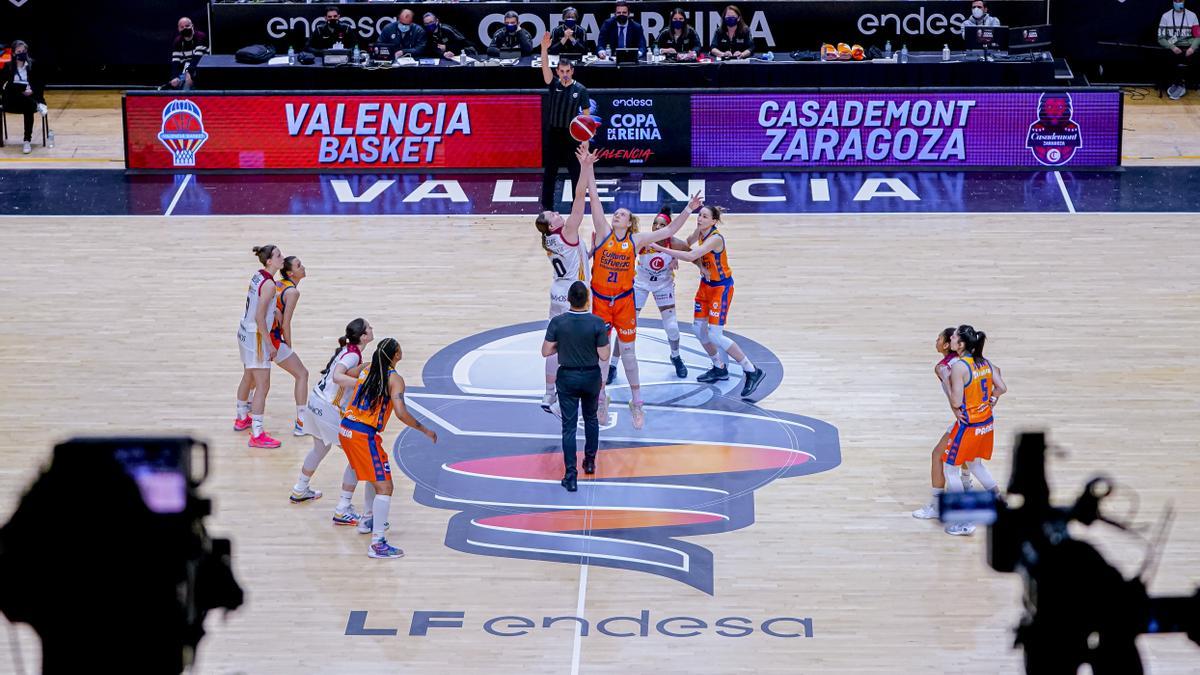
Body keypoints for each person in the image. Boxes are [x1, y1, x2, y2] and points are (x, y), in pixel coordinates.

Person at [589, 173, 699, 429]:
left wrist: (688, 209)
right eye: (616, 212)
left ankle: (637, 402)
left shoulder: (638, 239)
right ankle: (601, 396)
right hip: (607, 298)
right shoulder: (606, 234)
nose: (617, 215)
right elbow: (593, 198)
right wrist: (587, 168)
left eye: (623, 214)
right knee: (602, 355)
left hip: (630, 297)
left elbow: (674, 231)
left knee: (631, 352)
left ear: (630, 224)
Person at [651, 205, 766, 399]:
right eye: (699, 215)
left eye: (704, 216)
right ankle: (719, 367)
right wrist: (671, 255)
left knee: (715, 335)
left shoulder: (715, 238)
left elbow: (691, 255)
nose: (700, 218)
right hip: (705, 286)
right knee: (698, 329)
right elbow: (686, 243)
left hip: (720, 288)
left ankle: (752, 370)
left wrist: (661, 248)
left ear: (713, 221)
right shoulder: (701, 232)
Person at [340, 338, 437, 559]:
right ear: (396, 356)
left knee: (373, 477)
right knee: (385, 487)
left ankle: (367, 519)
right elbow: (401, 413)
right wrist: (424, 429)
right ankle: (378, 543)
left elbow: (352, 373)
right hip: (363, 434)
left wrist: (366, 365)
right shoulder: (395, 379)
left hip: (346, 427)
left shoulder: (367, 369)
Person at [290, 318, 373, 518]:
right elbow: (337, 376)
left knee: (320, 447)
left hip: (315, 402)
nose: (372, 329)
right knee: (356, 457)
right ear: (363, 336)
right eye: (369, 328)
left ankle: (300, 488)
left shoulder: (350, 350)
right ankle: (343, 509)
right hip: (327, 407)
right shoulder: (352, 356)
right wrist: (361, 384)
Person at [536, 143, 596, 416]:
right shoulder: (567, 231)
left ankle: (548, 396)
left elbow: (575, 259)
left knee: (554, 344)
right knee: (576, 347)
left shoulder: (549, 240)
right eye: (554, 215)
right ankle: (576, 393)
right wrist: (585, 167)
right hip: (575, 293)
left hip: (557, 291)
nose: (558, 214)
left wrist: (589, 253)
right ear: (552, 225)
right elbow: (579, 198)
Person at [542, 281, 611, 492]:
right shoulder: (598, 323)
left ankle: (570, 476)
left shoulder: (558, 322)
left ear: (569, 300)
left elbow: (545, 351)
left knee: (569, 427)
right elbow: (605, 355)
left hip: (568, 378)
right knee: (591, 420)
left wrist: (562, 346)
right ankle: (590, 462)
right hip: (591, 377)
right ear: (588, 299)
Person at [609, 206, 689, 384]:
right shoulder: (644, 241)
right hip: (641, 284)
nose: (658, 227)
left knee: (672, 327)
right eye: (655, 224)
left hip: (663, 285)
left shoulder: (674, 243)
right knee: (625, 326)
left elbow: (691, 253)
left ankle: (675, 357)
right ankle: (613, 365)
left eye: (662, 225)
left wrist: (679, 258)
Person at [941, 325, 1006, 536]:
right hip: (986, 423)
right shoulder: (984, 362)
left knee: (950, 469)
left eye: (954, 338)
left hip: (968, 425)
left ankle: (965, 520)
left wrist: (946, 380)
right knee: (976, 464)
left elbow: (957, 400)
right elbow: (1001, 387)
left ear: (960, 345)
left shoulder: (960, 367)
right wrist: (991, 401)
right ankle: (999, 502)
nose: (951, 339)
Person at [912, 327, 975, 520]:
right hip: (981, 416)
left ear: (947, 344)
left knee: (938, 455)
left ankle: (939, 505)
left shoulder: (944, 367)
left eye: (939, 338)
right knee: (968, 456)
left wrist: (957, 411)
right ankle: (966, 487)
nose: (936, 341)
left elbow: (953, 396)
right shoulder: (971, 360)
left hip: (966, 419)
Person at [235, 245, 284, 449]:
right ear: (270, 261)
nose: (283, 258)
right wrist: (269, 344)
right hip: (256, 335)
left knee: (248, 376)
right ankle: (257, 433)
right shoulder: (270, 286)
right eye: (279, 255)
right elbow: (260, 316)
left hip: (244, 331)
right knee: (263, 385)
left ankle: (241, 417)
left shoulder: (258, 275)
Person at [539, 31, 591, 211]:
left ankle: (577, 205)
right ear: (557, 72)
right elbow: (544, 70)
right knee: (550, 173)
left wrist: (586, 140)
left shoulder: (581, 89)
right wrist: (544, 50)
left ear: (572, 71)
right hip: (554, 133)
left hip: (572, 136)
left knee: (575, 173)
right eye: (561, 71)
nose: (565, 74)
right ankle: (547, 206)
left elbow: (586, 117)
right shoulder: (554, 84)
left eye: (568, 71)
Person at [270, 256, 309, 436]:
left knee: (253, 378)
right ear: (291, 273)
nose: (303, 267)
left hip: (257, 337)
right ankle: (302, 422)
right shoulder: (292, 292)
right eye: (299, 266)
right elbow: (286, 323)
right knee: (302, 374)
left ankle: (243, 414)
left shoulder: (277, 284)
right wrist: (289, 347)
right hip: (273, 339)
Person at [0, 41, 47, 155]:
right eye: (19, 51)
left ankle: (27, 141)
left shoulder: (33, 65)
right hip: (11, 100)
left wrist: (32, 91)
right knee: (12, 87)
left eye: (24, 51)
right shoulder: (8, 67)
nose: (22, 53)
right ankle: (36, 105)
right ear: (14, 53)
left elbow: (40, 84)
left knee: (27, 106)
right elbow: (1, 85)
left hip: (27, 99)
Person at [1158, 0, 1199, 100]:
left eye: (1180, 0)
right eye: (1175, 1)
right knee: (1169, 58)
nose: (1178, 3)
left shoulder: (1192, 15)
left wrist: (1192, 48)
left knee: (1190, 58)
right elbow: (1161, 38)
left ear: (1184, 1)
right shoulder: (1165, 16)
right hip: (1173, 47)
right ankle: (1177, 84)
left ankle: (1181, 84)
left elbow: (1198, 36)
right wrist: (1172, 47)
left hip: (1188, 47)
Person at [169, 18, 208, 91]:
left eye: (187, 26)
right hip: (185, 72)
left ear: (192, 26)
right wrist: (174, 77)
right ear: (178, 29)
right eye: (182, 27)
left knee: (188, 84)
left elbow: (197, 58)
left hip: (200, 70)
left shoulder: (201, 36)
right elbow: (175, 62)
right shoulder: (177, 41)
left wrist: (190, 73)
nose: (185, 28)